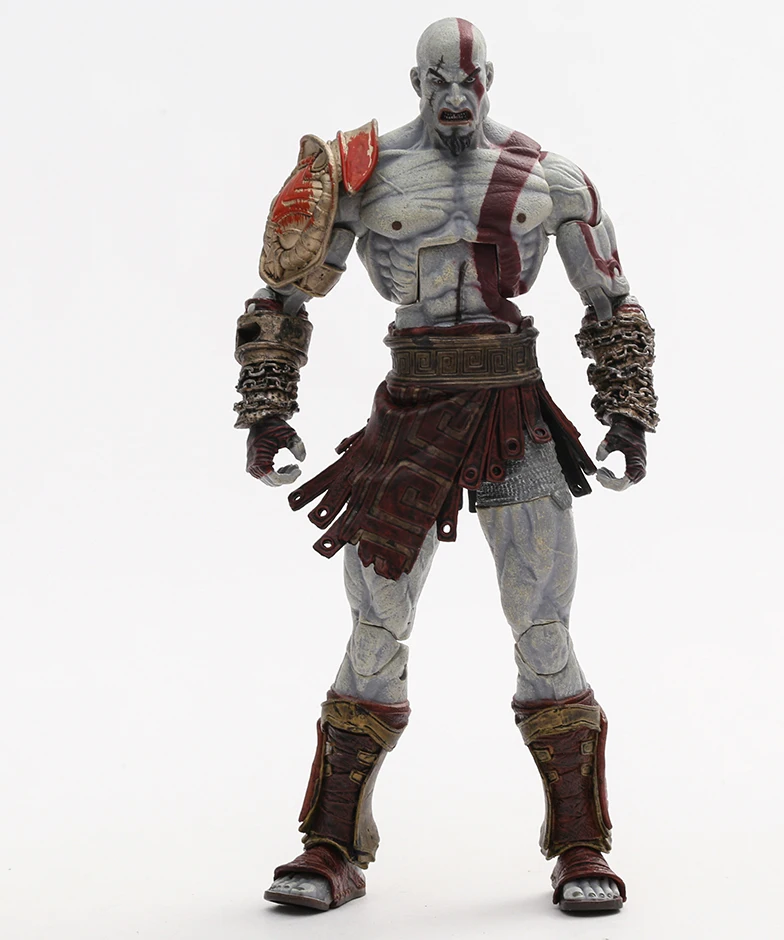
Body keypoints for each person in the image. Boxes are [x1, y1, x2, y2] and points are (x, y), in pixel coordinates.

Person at [232, 17, 658, 913]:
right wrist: (268, 414)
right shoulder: (362, 172)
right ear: (416, 82)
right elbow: (282, 293)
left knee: (542, 623)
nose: (456, 97)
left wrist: (626, 413)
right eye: (439, 83)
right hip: (412, 416)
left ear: (489, 79)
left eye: (469, 81)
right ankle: (331, 844)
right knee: (375, 623)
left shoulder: (552, 177)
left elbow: (611, 301)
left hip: (514, 415)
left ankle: (580, 842)